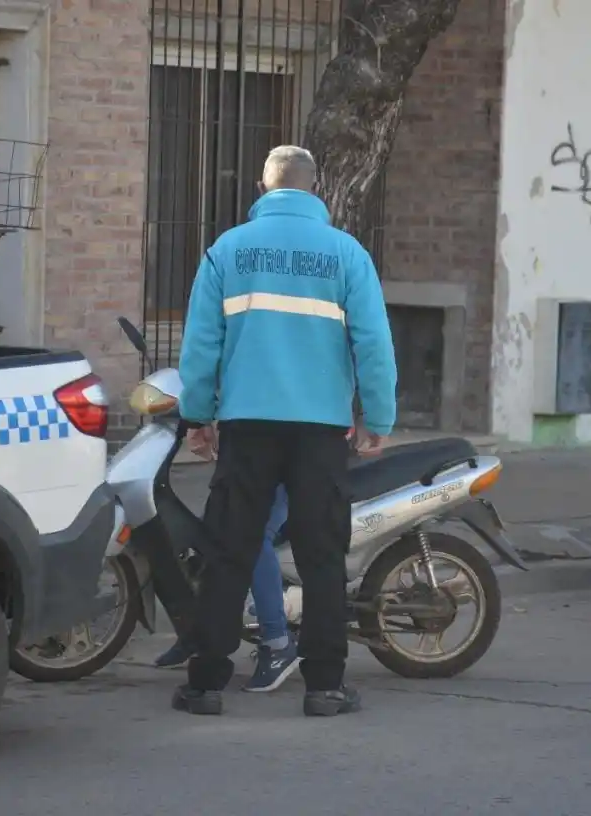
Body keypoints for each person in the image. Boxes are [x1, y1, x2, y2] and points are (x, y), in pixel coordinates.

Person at [172, 145, 397, 717]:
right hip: (321, 429)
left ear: (263, 187)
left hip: (247, 425)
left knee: (230, 549)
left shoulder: (228, 250)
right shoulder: (346, 253)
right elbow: (373, 343)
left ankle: (204, 684)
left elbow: (201, 345)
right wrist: (379, 416)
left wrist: (198, 416)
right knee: (322, 556)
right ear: (315, 189)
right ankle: (324, 686)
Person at [153, 485, 299, 694]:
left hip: (279, 471)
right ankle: (197, 632)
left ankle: (277, 643)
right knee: (207, 534)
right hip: (242, 470)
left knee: (254, 537)